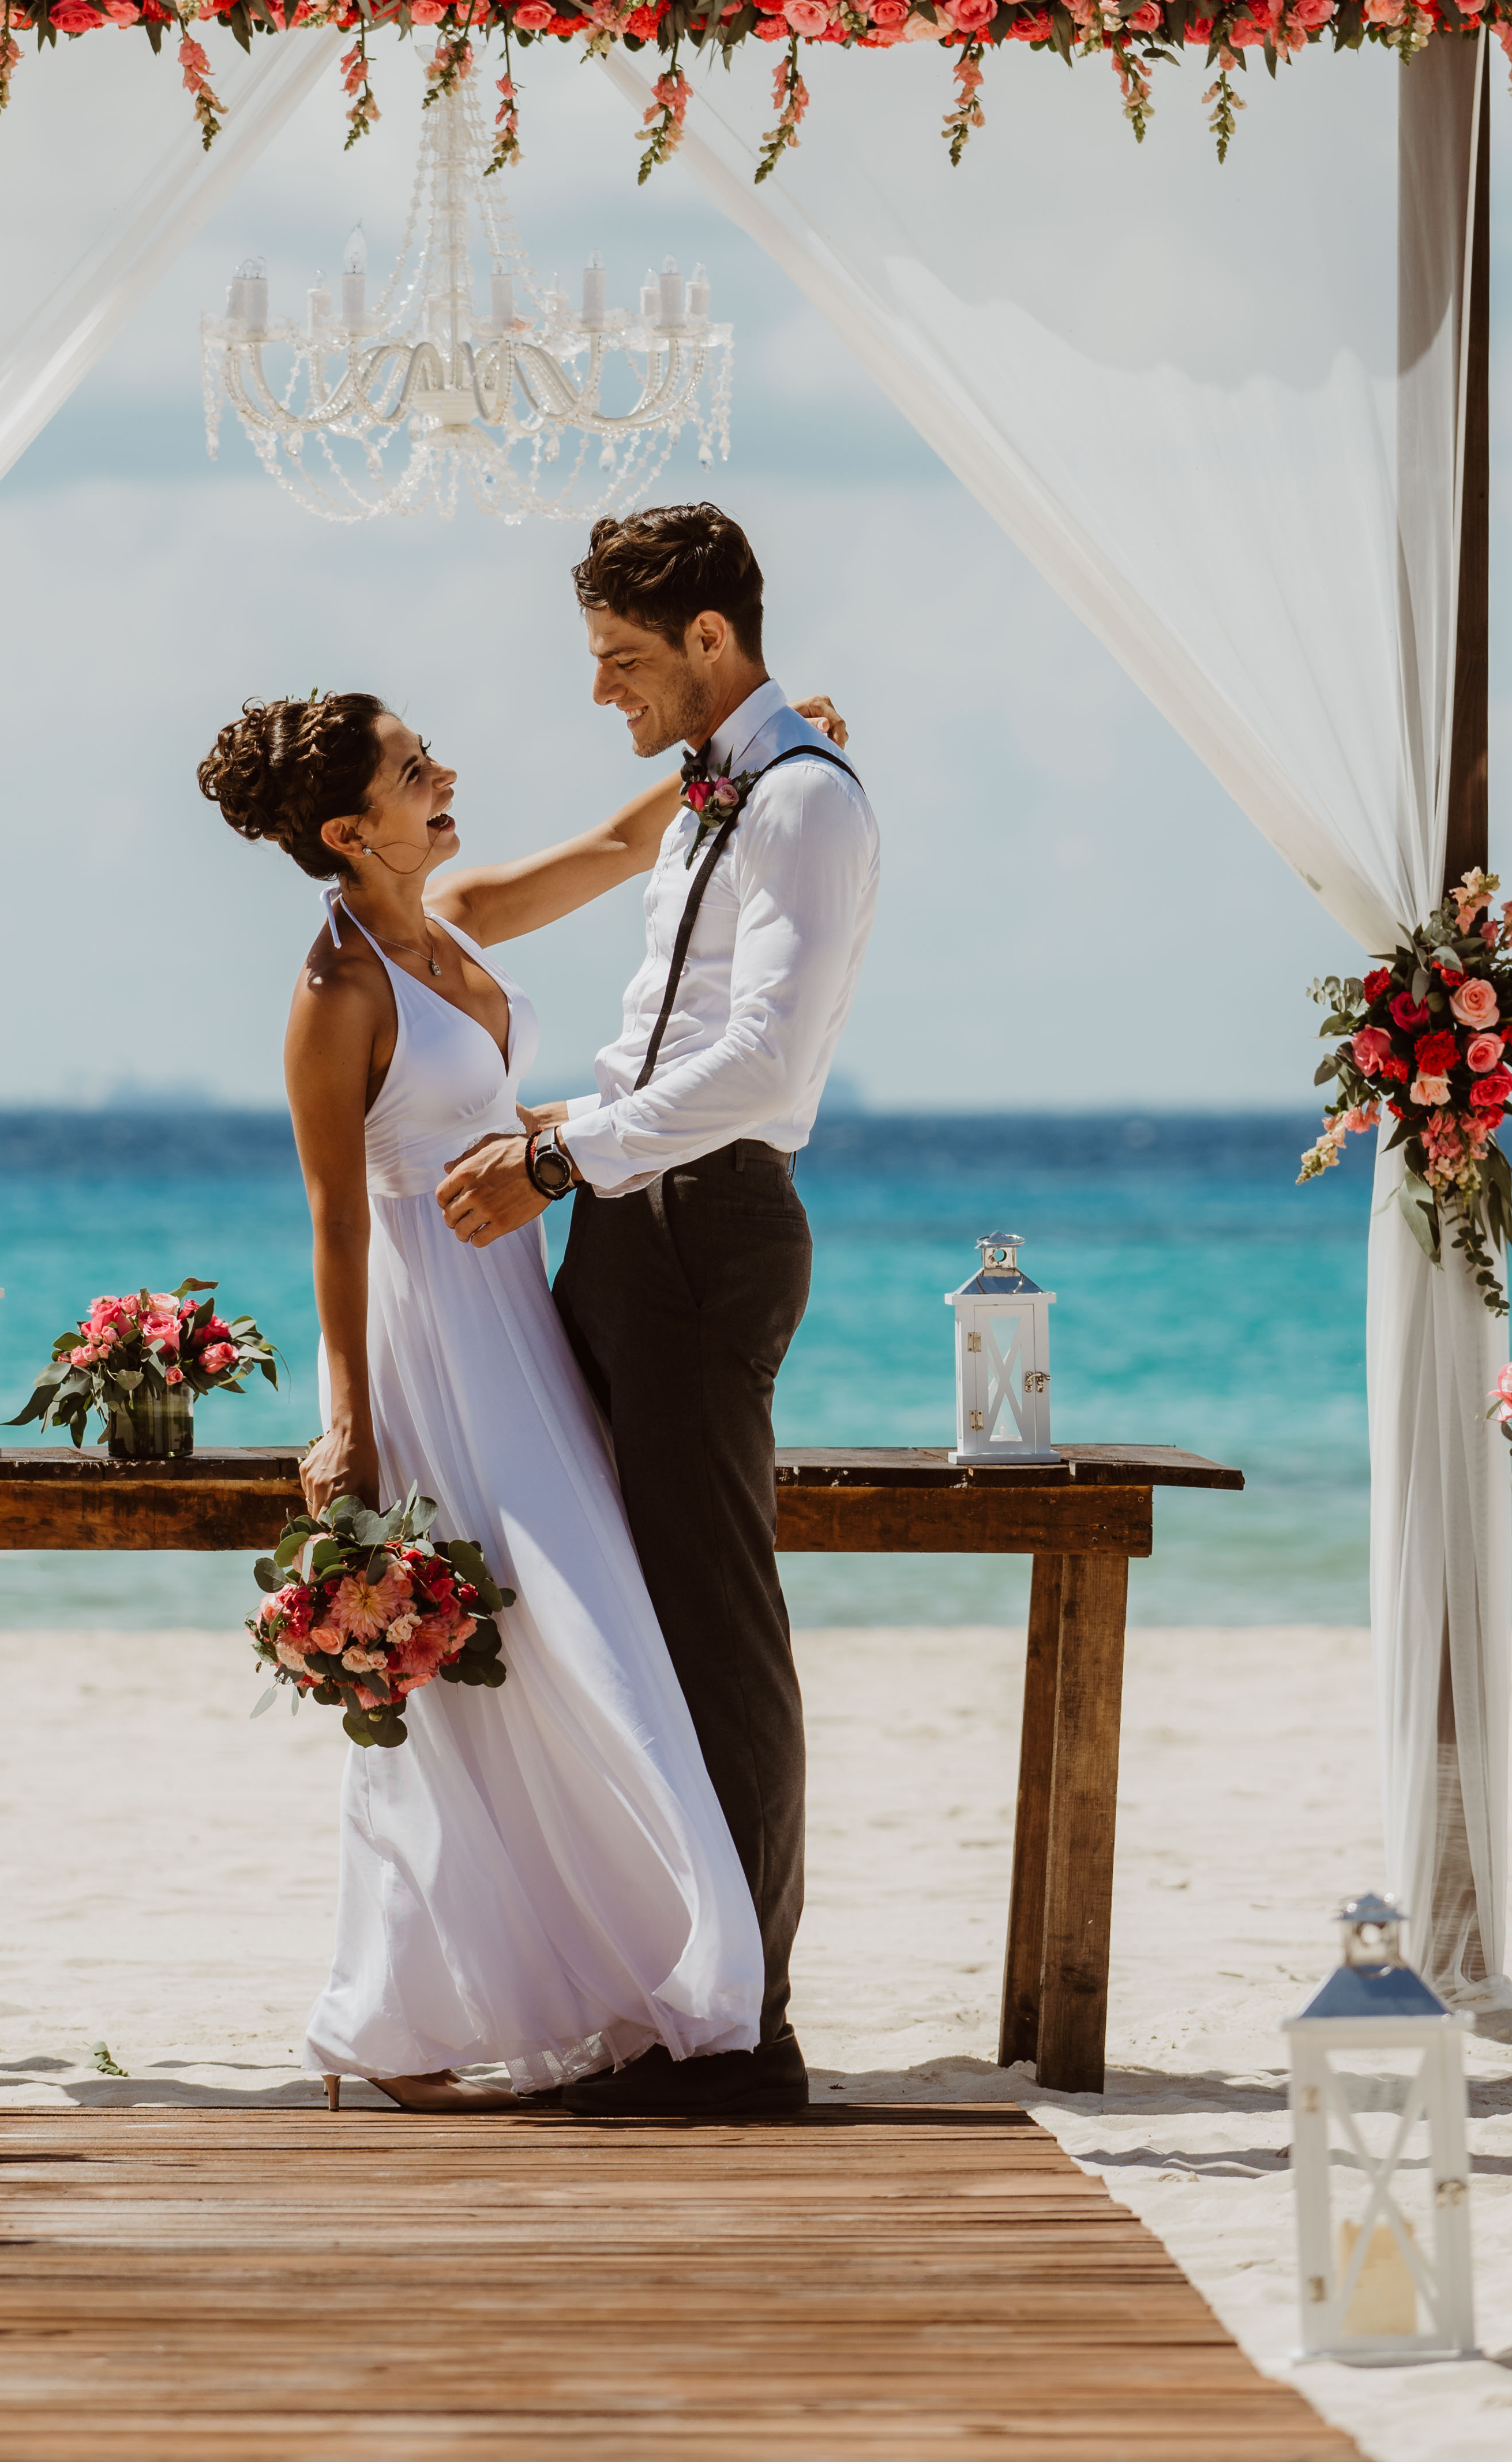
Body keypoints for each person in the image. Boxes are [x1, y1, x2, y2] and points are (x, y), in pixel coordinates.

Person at [200, 685, 783, 2108]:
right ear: (350, 829)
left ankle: (619, 1980)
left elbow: (613, 844)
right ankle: (410, 2017)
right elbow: (336, 1221)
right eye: (413, 769)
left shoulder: (449, 913)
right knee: (523, 1656)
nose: (445, 770)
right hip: (436, 1340)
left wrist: (747, 750)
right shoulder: (336, 992)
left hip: (525, 1307)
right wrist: (349, 1419)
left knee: (584, 1639)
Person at [433, 502, 881, 2117]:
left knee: (710, 1624)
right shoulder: (714, 796)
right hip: (630, 1213)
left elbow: (760, 1064)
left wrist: (556, 1155)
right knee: (616, 1617)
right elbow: (653, 1025)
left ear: (711, 640)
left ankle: (747, 2041)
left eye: (624, 663)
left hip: (705, 1227)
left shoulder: (806, 808)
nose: (603, 695)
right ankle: (662, 1998)